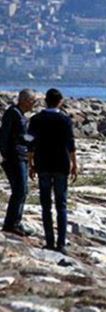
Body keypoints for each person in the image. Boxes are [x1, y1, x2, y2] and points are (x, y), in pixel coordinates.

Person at [28, 88, 78, 254]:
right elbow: (70, 144)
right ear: (60, 101)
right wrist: (74, 164)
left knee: (45, 205)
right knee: (61, 205)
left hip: (42, 163)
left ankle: (49, 241)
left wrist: (31, 163)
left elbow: (30, 142)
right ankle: (61, 243)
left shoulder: (36, 119)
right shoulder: (64, 120)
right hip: (61, 164)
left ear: (45, 101)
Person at [0, 88, 36, 236]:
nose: (34, 104)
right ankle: (11, 224)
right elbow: (5, 136)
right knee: (20, 190)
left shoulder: (20, 114)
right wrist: (4, 155)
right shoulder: (12, 113)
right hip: (14, 157)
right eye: (32, 101)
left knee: (23, 190)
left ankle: (16, 222)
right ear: (25, 101)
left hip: (21, 156)